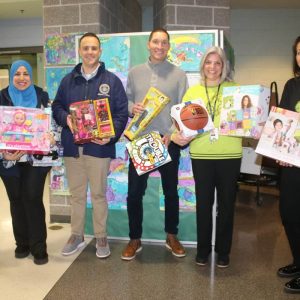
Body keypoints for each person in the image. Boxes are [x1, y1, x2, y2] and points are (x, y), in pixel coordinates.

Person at [52, 32, 128, 259]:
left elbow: (122, 113)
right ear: (80, 51)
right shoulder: (68, 80)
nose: (90, 52)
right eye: (85, 48)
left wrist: (110, 135)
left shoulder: (112, 81)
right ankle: (76, 235)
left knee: (98, 194)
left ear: (100, 51)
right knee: (76, 195)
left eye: (94, 48)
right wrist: (65, 117)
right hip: (73, 148)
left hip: (99, 148)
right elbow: (57, 106)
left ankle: (101, 236)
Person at [121, 28, 189, 261]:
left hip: (167, 140)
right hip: (141, 140)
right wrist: (133, 108)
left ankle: (171, 236)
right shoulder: (135, 72)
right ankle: (134, 238)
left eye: (164, 43)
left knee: (171, 192)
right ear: (149, 44)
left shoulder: (179, 75)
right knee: (134, 194)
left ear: (169, 46)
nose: (160, 46)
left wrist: (172, 133)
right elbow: (127, 100)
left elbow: (183, 110)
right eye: (156, 42)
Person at [172, 46, 242, 268]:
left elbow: (246, 121)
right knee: (203, 204)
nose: (212, 67)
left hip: (230, 154)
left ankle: (223, 251)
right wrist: (178, 134)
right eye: (208, 62)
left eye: (217, 63)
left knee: (227, 205)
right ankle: (203, 249)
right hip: (201, 154)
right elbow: (181, 123)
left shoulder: (235, 90)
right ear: (203, 65)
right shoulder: (193, 93)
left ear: (224, 66)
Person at [0, 60, 51, 265]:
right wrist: (4, 153)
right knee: (16, 199)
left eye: (25, 73)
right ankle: (22, 243)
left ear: (31, 75)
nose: (22, 78)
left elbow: (49, 121)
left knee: (32, 198)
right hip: (8, 160)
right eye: (17, 74)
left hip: (35, 159)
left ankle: (38, 247)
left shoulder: (41, 95)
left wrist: (50, 135)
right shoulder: (1, 96)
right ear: (12, 76)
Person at [276, 36, 300, 293]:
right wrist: (279, 149)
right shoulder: (292, 85)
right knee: (289, 213)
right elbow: (281, 122)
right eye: (298, 52)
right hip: (293, 162)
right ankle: (298, 261)